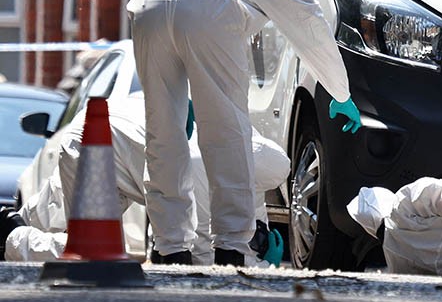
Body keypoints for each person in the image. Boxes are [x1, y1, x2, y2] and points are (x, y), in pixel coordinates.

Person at [127, 0, 361, 266]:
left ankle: (170, 247)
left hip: (148, 5)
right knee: (227, 132)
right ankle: (231, 246)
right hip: (208, 4)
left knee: (162, 133)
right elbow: (309, 25)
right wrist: (341, 91)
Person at [0, 93, 290, 265]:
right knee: (96, 257)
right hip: (103, 142)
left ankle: (12, 224)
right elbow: (202, 261)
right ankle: (11, 239)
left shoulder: (253, 156)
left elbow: (251, 202)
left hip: (106, 123)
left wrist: (259, 245)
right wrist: (262, 268)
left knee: (42, 212)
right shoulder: (201, 173)